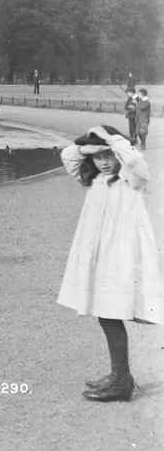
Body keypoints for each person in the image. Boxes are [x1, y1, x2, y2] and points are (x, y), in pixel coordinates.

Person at [58, 125, 162, 402]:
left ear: (118, 153)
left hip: (121, 257)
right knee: (107, 315)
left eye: (108, 155)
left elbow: (137, 162)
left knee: (111, 314)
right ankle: (120, 376)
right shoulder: (94, 179)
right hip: (100, 255)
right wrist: (87, 148)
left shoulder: (130, 177)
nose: (103, 162)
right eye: (97, 157)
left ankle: (122, 380)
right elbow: (68, 156)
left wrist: (113, 140)